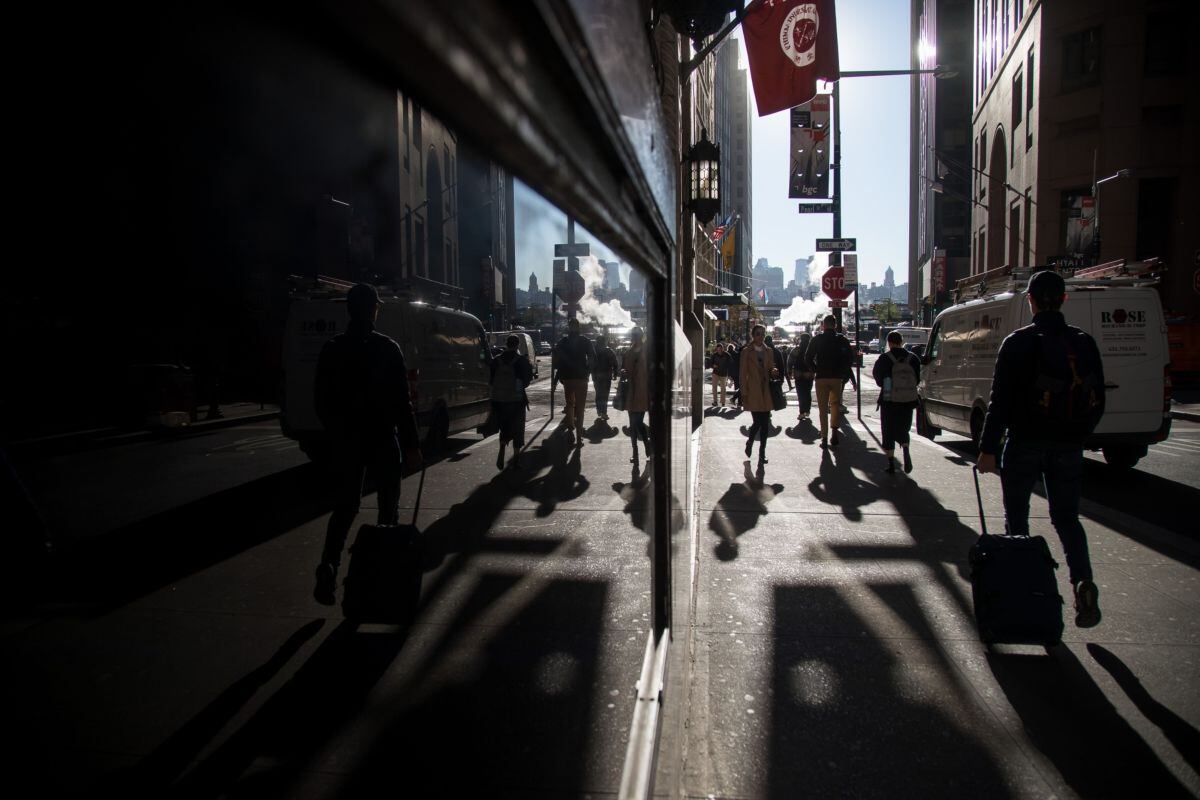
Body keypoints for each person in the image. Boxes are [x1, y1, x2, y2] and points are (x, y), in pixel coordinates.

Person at [977, 270, 1106, 628]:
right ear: (1064, 299)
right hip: (1068, 446)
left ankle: (1024, 594)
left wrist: (988, 448)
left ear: (1030, 300)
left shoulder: (1018, 342)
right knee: (1067, 519)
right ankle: (1082, 581)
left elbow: (999, 401)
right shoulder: (1083, 342)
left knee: (1017, 521)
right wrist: (1077, 435)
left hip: (1023, 443)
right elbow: (1097, 400)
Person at [312, 283, 423, 606]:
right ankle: (378, 574)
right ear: (373, 309)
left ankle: (329, 565)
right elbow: (402, 403)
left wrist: (336, 432)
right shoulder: (387, 348)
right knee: (387, 509)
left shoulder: (333, 348)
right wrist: (413, 445)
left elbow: (321, 401)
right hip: (382, 438)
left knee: (345, 506)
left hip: (347, 439)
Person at [873, 331, 921, 474]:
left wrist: (886, 383)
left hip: (889, 400)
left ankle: (891, 464)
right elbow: (917, 379)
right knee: (903, 426)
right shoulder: (913, 358)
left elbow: (878, 378)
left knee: (888, 429)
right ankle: (905, 447)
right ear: (901, 341)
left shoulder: (884, 358)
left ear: (889, 342)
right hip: (908, 400)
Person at [806, 315, 854, 448]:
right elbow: (849, 358)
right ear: (835, 325)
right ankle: (834, 432)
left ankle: (824, 437)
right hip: (836, 377)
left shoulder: (818, 339)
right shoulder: (841, 339)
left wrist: (816, 369)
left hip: (821, 377)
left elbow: (808, 357)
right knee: (835, 406)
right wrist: (843, 372)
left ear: (823, 325)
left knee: (822, 409)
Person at [490, 334, 533, 469]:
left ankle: (502, 446)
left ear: (506, 344)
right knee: (518, 429)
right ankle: (516, 458)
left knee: (504, 426)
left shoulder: (497, 360)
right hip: (517, 400)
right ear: (517, 345)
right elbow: (527, 381)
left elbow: (490, 379)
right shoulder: (521, 361)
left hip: (500, 400)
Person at [739, 324, 779, 463]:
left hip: (766, 390)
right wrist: (743, 392)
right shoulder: (746, 352)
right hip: (753, 390)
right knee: (757, 422)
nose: (760, 336)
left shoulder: (768, 351)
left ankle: (762, 453)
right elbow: (743, 373)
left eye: (762, 334)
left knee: (765, 424)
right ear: (753, 335)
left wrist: (773, 370)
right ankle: (750, 442)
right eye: (758, 334)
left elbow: (771, 366)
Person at [553, 317, 595, 445]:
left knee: (570, 405)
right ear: (579, 327)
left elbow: (557, 361)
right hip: (581, 378)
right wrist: (588, 371)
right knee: (580, 408)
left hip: (568, 379)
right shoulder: (585, 341)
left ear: (568, 327)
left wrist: (556, 379)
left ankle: (570, 430)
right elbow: (593, 357)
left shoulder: (563, 342)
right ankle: (578, 438)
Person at [622, 326, 651, 463]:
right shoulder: (628, 353)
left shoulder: (644, 352)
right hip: (634, 392)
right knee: (634, 424)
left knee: (636, 423)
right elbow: (625, 371)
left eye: (635, 336)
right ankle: (638, 451)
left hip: (640, 392)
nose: (635, 338)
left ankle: (644, 446)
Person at [592, 334, 619, 422]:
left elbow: (589, 363)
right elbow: (615, 363)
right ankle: (603, 412)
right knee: (604, 395)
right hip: (606, 376)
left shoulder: (593, 351)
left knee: (598, 394)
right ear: (604, 342)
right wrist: (615, 373)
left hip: (596, 376)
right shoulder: (609, 351)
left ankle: (599, 411)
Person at [787, 333, 813, 421]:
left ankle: (802, 412)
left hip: (798, 374)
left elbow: (790, 361)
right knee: (808, 392)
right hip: (809, 375)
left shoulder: (796, 350)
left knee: (800, 394)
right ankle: (807, 410)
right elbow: (816, 361)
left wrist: (790, 372)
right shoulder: (811, 350)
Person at [710, 342, 732, 407]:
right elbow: (710, 364)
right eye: (718, 349)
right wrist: (713, 365)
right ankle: (715, 402)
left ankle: (723, 402)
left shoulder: (727, 355)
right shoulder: (714, 355)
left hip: (724, 373)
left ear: (722, 349)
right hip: (715, 373)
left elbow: (730, 363)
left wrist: (728, 371)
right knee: (714, 387)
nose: (719, 350)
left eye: (720, 349)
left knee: (723, 388)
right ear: (716, 349)